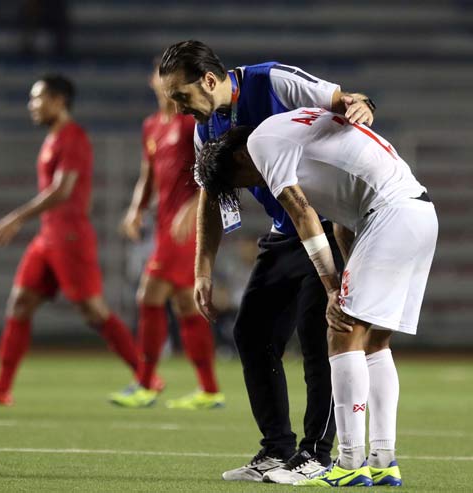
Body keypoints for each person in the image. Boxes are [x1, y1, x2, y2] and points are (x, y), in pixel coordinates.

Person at [159, 40, 375, 483]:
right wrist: (203, 269)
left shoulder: (273, 80)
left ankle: (316, 455)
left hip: (329, 222)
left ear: (210, 80)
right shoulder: (205, 129)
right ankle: (276, 451)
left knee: (318, 334)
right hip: (285, 231)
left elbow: (346, 100)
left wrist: (365, 104)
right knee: (251, 332)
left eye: (182, 96)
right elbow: (212, 197)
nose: (179, 109)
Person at [194, 108, 438, 487]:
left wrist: (331, 289)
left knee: (341, 332)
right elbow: (342, 220)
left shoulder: (261, 144)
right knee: (375, 341)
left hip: (388, 214)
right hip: (417, 212)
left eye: (237, 179)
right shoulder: (301, 146)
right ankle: (383, 459)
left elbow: (303, 215)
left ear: (241, 156)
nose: (249, 187)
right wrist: (347, 275)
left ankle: (350, 462)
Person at [0, 74, 157, 405]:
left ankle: (146, 376)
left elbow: (63, 190)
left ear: (59, 100)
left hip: (69, 236)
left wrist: (16, 217)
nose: (32, 106)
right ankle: (1, 388)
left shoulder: (73, 137)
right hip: (48, 236)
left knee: (93, 311)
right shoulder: (54, 138)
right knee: (20, 303)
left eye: (37, 98)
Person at [110, 61, 224, 410]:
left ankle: (145, 384)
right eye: (159, 74)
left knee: (149, 295)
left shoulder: (191, 123)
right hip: (164, 226)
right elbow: (147, 174)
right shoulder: (151, 126)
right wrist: (135, 209)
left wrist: (192, 207)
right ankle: (209, 390)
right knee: (186, 304)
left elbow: (213, 169)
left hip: (186, 227)